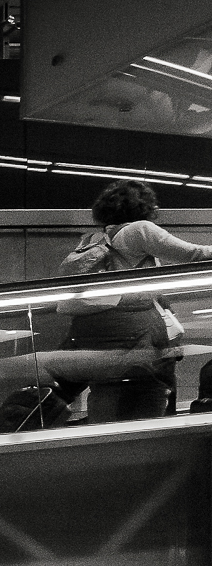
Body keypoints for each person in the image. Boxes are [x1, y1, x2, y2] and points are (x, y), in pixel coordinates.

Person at [53, 180, 212, 422]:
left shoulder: (102, 237)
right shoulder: (139, 231)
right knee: (150, 411)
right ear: (143, 206)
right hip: (136, 344)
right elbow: (195, 255)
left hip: (105, 344)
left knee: (106, 410)